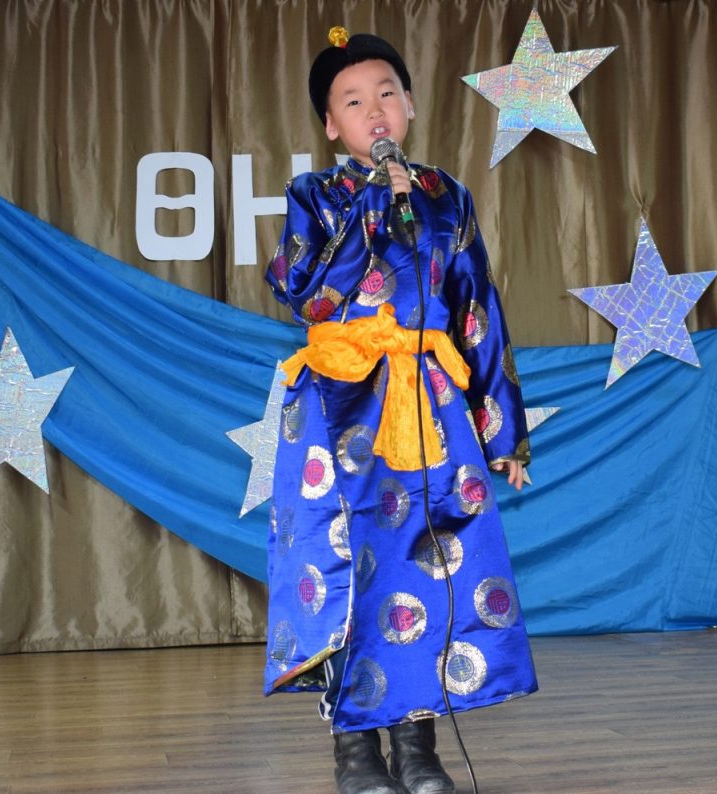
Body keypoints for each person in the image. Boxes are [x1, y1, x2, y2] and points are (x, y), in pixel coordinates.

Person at [263, 27, 538, 794]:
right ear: (331, 126)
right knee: (345, 570)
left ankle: (418, 749)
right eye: (353, 102)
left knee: (425, 566)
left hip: (429, 408)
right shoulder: (315, 197)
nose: (374, 110)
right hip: (340, 405)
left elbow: (476, 311)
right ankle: (355, 750)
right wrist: (370, 208)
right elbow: (303, 292)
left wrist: (501, 430)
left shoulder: (446, 197)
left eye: (386, 93)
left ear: (410, 105)